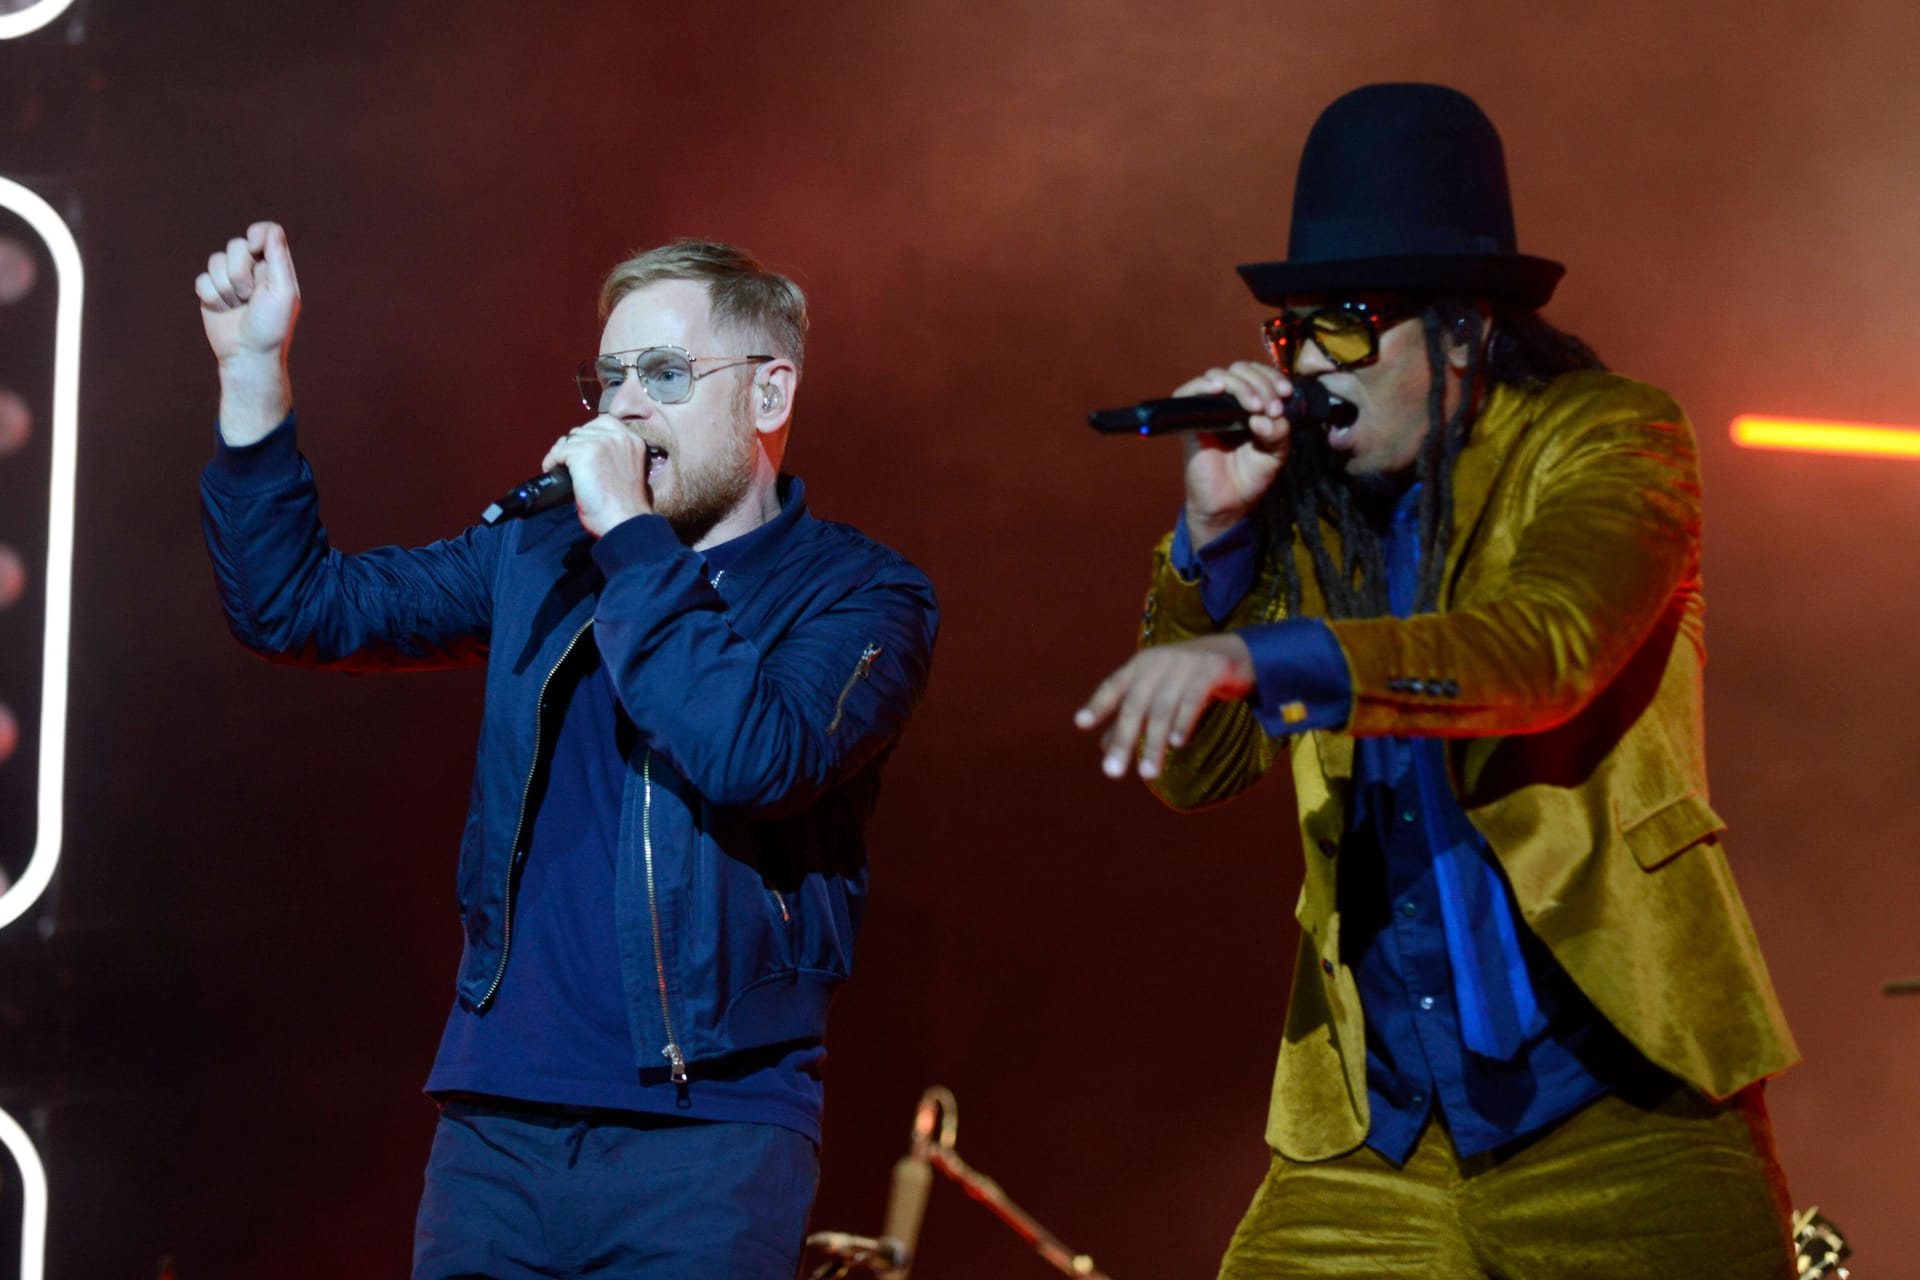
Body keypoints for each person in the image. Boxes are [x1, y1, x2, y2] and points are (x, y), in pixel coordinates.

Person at [1075, 84, 1799, 1278]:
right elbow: (1198, 771)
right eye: (1291, 331)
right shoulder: (1305, 507)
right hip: (1374, 1135)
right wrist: (1214, 546)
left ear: (1465, 331)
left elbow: (1544, 648)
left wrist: (1272, 653)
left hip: (1625, 1113)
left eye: (1349, 323)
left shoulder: (1609, 439)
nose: (1310, 365)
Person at [195, 222, 938, 1279]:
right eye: (610, 377)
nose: (625, 406)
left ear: (769, 396)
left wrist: (631, 537)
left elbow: (753, 754)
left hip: (708, 1132)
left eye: (667, 373)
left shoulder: (863, 595)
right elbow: (296, 606)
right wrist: (253, 377)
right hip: (496, 1126)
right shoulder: (540, 557)